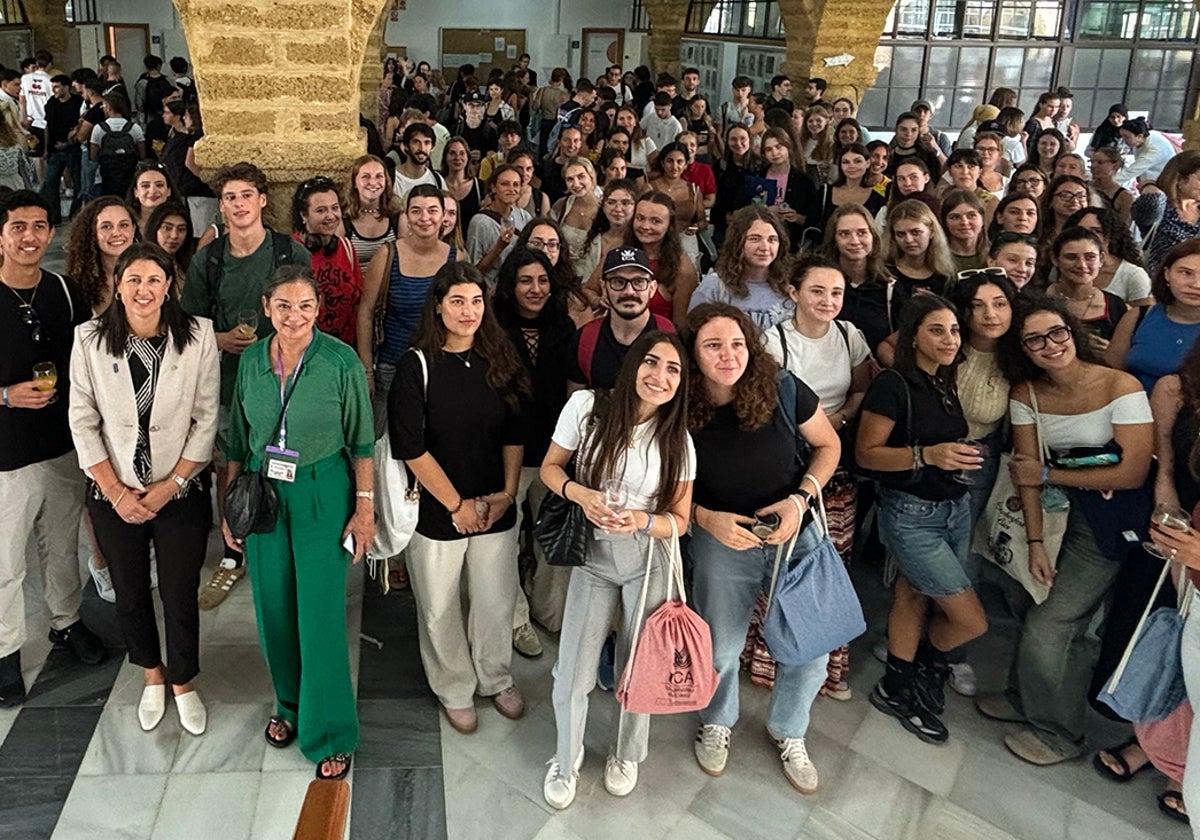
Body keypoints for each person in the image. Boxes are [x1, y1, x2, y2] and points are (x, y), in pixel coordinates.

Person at [978, 298, 1152, 766]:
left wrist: (1053, 476)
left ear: (1072, 330)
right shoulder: (1025, 394)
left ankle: (1058, 733)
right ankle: (1023, 699)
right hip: (1054, 520)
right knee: (1033, 605)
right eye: (1034, 340)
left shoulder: (1122, 385)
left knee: (1054, 625)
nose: (1050, 345)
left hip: (1107, 525)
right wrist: (1034, 542)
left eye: (1057, 332)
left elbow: (1132, 473)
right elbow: (1024, 474)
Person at [222, 263, 373, 781]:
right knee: (274, 608)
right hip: (264, 490)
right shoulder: (251, 365)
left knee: (321, 616)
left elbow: (362, 441)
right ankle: (289, 704)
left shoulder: (339, 361)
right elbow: (238, 438)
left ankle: (330, 730)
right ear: (266, 308)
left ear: (318, 310)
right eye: (283, 305)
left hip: (322, 490)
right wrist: (230, 502)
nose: (294, 316)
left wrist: (365, 507)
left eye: (305, 306)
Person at [682, 300, 839, 788]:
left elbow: (828, 446)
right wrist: (705, 519)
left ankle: (789, 730)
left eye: (736, 343)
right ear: (693, 353)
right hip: (721, 537)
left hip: (794, 532)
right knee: (721, 647)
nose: (728, 355)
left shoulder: (783, 388)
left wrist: (799, 500)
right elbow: (660, 486)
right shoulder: (678, 404)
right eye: (713, 345)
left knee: (812, 647)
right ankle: (716, 721)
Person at [539, 329, 694, 808]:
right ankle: (565, 759)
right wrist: (582, 495)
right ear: (632, 366)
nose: (660, 377)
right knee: (574, 670)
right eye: (651, 363)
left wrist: (643, 520)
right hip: (593, 555)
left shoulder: (678, 440)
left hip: (648, 560)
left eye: (673, 370)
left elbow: (681, 522)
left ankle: (626, 753)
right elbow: (550, 468)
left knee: (637, 665)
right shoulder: (588, 407)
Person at [69, 241, 217, 735]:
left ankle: (183, 680)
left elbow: (206, 418)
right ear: (118, 284)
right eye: (134, 279)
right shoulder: (90, 339)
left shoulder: (197, 336)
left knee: (179, 591)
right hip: (115, 492)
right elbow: (83, 419)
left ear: (170, 285)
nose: (143, 289)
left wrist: (171, 484)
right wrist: (114, 491)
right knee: (130, 590)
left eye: (154, 279)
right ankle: (151, 673)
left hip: (179, 491)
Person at [390, 261, 528, 735]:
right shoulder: (417, 365)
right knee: (439, 605)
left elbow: (514, 432)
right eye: (457, 301)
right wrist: (457, 506)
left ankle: (495, 675)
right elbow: (411, 447)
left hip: (495, 504)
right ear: (438, 306)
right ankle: (453, 685)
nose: (468, 311)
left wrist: (508, 494)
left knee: (495, 600)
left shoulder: (498, 357)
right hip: (437, 507)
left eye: (475, 301)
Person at [857, 294, 988, 743]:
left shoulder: (943, 381)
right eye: (937, 330)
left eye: (953, 330)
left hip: (954, 507)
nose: (949, 339)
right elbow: (866, 453)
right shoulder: (894, 384)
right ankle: (929, 668)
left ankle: (897, 685)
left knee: (912, 597)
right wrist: (927, 455)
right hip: (913, 514)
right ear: (913, 336)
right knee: (971, 620)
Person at [182, 162, 312, 609]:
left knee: (288, 457)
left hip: (286, 378)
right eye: (229, 197)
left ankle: (285, 545)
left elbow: (309, 313)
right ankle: (234, 550)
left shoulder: (288, 252)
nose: (238, 205)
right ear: (221, 205)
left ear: (262, 200)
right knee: (229, 461)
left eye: (245, 195)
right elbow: (189, 324)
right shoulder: (209, 259)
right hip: (225, 380)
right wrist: (219, 339)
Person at [0, 191, 107, 706]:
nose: (30, 237)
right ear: (1, 234)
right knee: (6, 560)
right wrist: (4, 395)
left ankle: (65, 622)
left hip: (62, 444)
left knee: (61, 545)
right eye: (19, 226)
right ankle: (4, 653)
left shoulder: (63, 291)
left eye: (40, 226)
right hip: (7, 454)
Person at [764, 257, 873, 697]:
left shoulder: (850, 336)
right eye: (817, 291)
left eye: (836, 293)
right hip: (787, 463)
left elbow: (862, 389)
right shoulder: (774, 343)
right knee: (778, 566)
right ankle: (771, 659)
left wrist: (838, 419)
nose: (828, 301)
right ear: (794, 293)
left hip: (836, 462)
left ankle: (823, 663)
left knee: (827, 563)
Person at [494, 248, 575, 646]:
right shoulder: (490, 326)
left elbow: (575, 394)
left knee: (553, 533)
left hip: (554, 452)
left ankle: (548, 608)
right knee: (506, 538)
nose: (535, 288)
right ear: (510, 285)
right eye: (526, 280)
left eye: (542, 280)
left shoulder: (564, 327)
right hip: (504, 450)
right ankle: (515, 619)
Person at [357, 184, 461, 435]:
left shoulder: (456, 259)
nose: (424, 218)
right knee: (380, 442)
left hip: (438, 366)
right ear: (406, 216)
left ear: (443, 216)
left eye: (432, 210)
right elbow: (366, 312)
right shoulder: (387, 255)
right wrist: (366, 370)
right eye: (416, 211)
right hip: (391, 366)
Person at [570, 248, 675, 389]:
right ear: (604, 287)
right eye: (618, 282)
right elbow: (576, 403)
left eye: (638, 281)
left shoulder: (671, 337)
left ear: (652, 288)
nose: (629, 291)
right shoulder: (584, 340)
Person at [1108, 239, 1200, 393]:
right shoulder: (1138, 317)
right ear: (1167, 274)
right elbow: (1110, 375)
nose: (1196, 284)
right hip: (1132, 409)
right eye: (1186, 273)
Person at [690, 205, 794, 331]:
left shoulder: (791, 286)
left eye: (772, 239)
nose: (765, 247)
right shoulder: (715, 286)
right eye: (755, 239)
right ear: (737, 242)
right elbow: (694, 333)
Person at [290, 177, 362, 348]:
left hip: (345, 350)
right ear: (304, 215)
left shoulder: (347, 248)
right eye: (321, 210)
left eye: (335, 208)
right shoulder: (290, 251)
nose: (331, 216)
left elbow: (359, 303)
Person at [823, 203, 901, 356]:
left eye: (862, 233)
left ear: (873, 236)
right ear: (834, 240)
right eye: (844, 234)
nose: (854, 241)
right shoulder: (820, 285)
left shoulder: (891, 288)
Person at [1046, 227, 1127, 350]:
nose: (1081, 265)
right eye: (1071, 257)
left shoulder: (1116, 307)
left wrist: (1112, 354)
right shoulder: (1037, 300)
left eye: (1090, 257)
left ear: (1101, 259)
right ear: (1055, 259)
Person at [1063, 207, 1151, 305]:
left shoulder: (1133, 275)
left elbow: (1143, 315)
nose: (1087, 236)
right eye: (1080, 230)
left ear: (1110, 236)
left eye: (1096, 231)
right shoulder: (1064, 265)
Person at [65, 196, 137, 315]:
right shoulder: (76, 285)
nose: (116, 233)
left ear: (133, 229)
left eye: (123, 225)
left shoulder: (152, 275)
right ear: (92, 232)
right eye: (106, 226)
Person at [466, 164, 532, 287]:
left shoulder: (525, 217)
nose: (511, 189)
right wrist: (499, 248)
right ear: (493, 187)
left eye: (516, 184)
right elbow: (474, 271)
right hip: (492, 292)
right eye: (505, 184)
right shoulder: (480, 223)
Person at [758, 128, 819, 250]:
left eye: (779, 147)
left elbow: (814, 220)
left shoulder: (804, 180)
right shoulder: (758, 176)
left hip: (792, 241)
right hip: (763, 235)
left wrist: (796, 217)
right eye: (769, 149)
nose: (775, 153)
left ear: (788, 148)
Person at [884, 198, 955, 298]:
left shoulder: (945, 277)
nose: (908, 240)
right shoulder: (885, 274)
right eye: (900, 234)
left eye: (915, 233)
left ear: (931, 231)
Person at [579, 178, 636, 297]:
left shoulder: (640, 241)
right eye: (611, 202)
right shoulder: (594, 239)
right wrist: (596, 300)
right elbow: (585, 284)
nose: (618, 209)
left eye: (625, 203)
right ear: (603, 206)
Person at [344, 154, 400, 272]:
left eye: (379, 176)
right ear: (354, 182)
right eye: (366, 176)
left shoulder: (397, 218)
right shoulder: (343, 221)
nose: (373, 182)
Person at [89, 93, 145, 198]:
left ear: (109, 107)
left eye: (103, 106)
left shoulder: (99, 128)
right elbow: (142, 154)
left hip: (107, 176)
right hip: (129, 174)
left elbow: (93, 156)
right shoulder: (134, 128)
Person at [551, 157, 601, 267]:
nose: (576, 184)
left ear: (591, 176)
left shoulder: (606, 208)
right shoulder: (560, 206)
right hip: (566, 274)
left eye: (581, 176)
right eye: (570, 179)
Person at [440, 136, 485, 232]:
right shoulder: (437, 183)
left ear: (468, 157)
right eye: (452, 153)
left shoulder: (480, 187)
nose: (457, 157)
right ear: (445, 157)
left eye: (462, 153)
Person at [1117, 117, 1176, 187]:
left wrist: (1106, 182)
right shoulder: (1145, 137)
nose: (1124, 140)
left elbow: (1130, 172)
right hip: (1148, 176)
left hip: (1161, 181)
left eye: (1127, 137)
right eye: (1122, 136)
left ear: (1139, 136)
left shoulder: (1153, 151)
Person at [940, 189, 989, 273]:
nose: (964, 222)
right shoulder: (935, 258)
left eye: (971, 215)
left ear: (982, 219)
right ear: (944, 222)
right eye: (955, 217)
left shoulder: (995, 256)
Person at [146, 200, 196, 277]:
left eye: (181, 229)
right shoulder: (140, 264)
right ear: (154, 228)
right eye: (167, 228)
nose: (174, 235)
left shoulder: (191, 266)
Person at [127, 160, 178, 234]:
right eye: (145, 186)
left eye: (159, 185)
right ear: (136, 192)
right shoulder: (125, 222)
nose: (152, 191)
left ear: (168, 191)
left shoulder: (180, 221)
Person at [1088, 147, 1133, 229]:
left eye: (1100, 162)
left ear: (1115, 166)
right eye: (1091, 162)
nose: (1093, 166)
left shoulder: (1125, 197)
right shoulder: (1083, 186)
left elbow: (1123, 229)